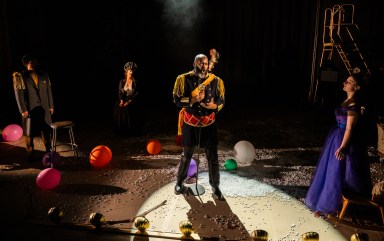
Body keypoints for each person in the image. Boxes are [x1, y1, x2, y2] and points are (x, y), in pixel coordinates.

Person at [305, 72, 373, 217]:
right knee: (332, 171)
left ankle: (336, 206)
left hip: (344, 139)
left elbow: (349, 128)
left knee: (342, 172)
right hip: (336, 136)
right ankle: (331, 204)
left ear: (357, 87)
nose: (345, 83)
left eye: (349, 82)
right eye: (346, 81)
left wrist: (342, 147)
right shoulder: (348, 101)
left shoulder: (354, 103)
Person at [172, 53, 225, 200]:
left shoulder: (216, 81)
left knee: (212, 157)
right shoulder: (183, 79)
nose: (204, 65)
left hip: (209, 124)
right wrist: (194, 99)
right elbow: (176, 100)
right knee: (186, 155)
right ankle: (179, 182)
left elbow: (222, 101)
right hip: (190, 124)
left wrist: (215, 106)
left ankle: (215, 186)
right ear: (194, 63)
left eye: (206, 63)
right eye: (200, 63)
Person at [12, 55, 54, 161]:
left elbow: (49, 91)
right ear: (27, 63)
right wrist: (23, 109)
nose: (34, 63)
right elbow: (19, 95)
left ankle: (48, 149)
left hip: (44, 107)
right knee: (29, 132)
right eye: (32, 61)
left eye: (35, 61)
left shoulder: (43, 75)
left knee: (46, 129)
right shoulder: (20, 76)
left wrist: (51, 105)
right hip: (30, 108)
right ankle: (30, 152)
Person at [113, 62, 141, 136]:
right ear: (126, 72)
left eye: (132, 71)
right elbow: (120, 93)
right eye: (130, 71)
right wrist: (121, 101)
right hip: (124, 99)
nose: (131, 72)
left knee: (127, 108)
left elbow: (137, 93)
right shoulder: (122, 82)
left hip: (132, 100)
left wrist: (129, 101)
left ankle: (130, 131)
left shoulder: (135, 82)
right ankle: (121, 130)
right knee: (118, 106)